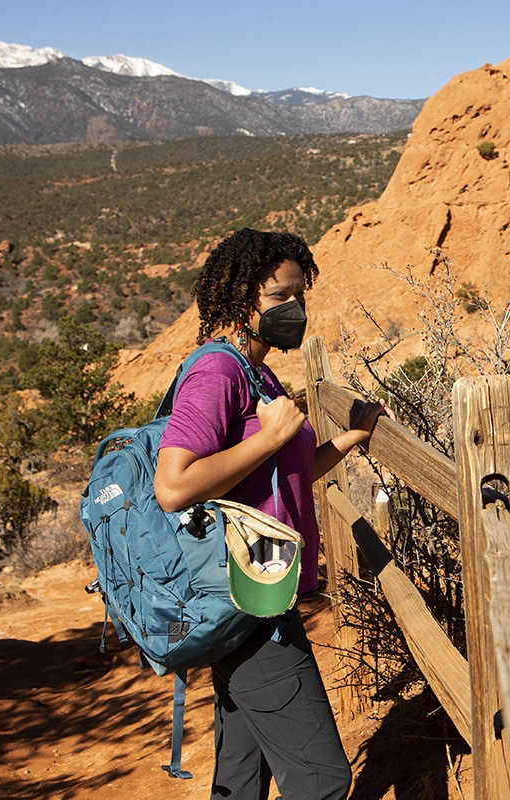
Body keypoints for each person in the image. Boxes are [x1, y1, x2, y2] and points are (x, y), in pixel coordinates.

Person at [154, 228, 385, 800]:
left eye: (299, 296)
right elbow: (173, 485)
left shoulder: (259, 372)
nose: (295, 310)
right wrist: (272, 435)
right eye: (280, 298)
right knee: (322, 781)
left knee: (241, 776)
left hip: (260, 590)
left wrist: (350, 439)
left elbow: (280, 477)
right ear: (239, 300)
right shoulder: (218, 372)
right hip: (249, 600)